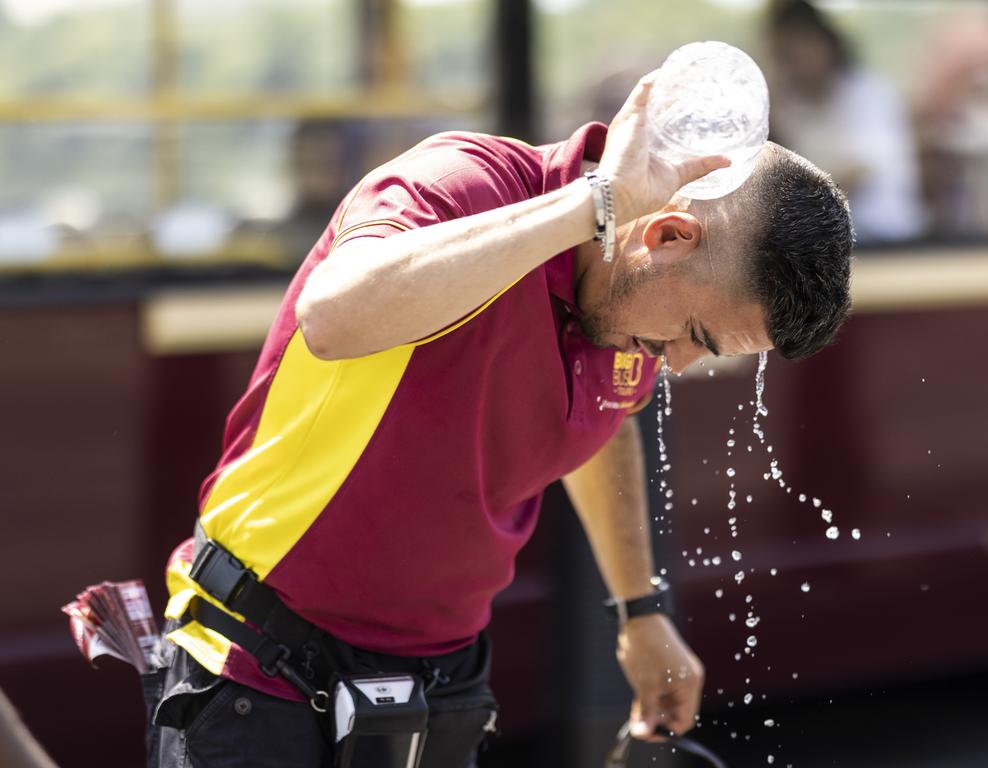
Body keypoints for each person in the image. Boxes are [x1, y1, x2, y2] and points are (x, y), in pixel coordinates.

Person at [145, 71, 853, 767]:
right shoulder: (463, 185)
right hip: (259, 662)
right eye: (697, 333)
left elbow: (601, 425)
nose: (677, 363)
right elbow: (332, 317)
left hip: (439, 689)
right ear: (666, 236)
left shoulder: (631, 312)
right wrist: (591, 208)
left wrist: (641, 612)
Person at [766, 0, 925, 243]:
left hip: (888, 238)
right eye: (786, 54)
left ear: (827, 44)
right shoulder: (788, 104)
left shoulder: (868, 93)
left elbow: (862, 171)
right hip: (834, 244)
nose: (796, 62)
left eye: (802, 47)